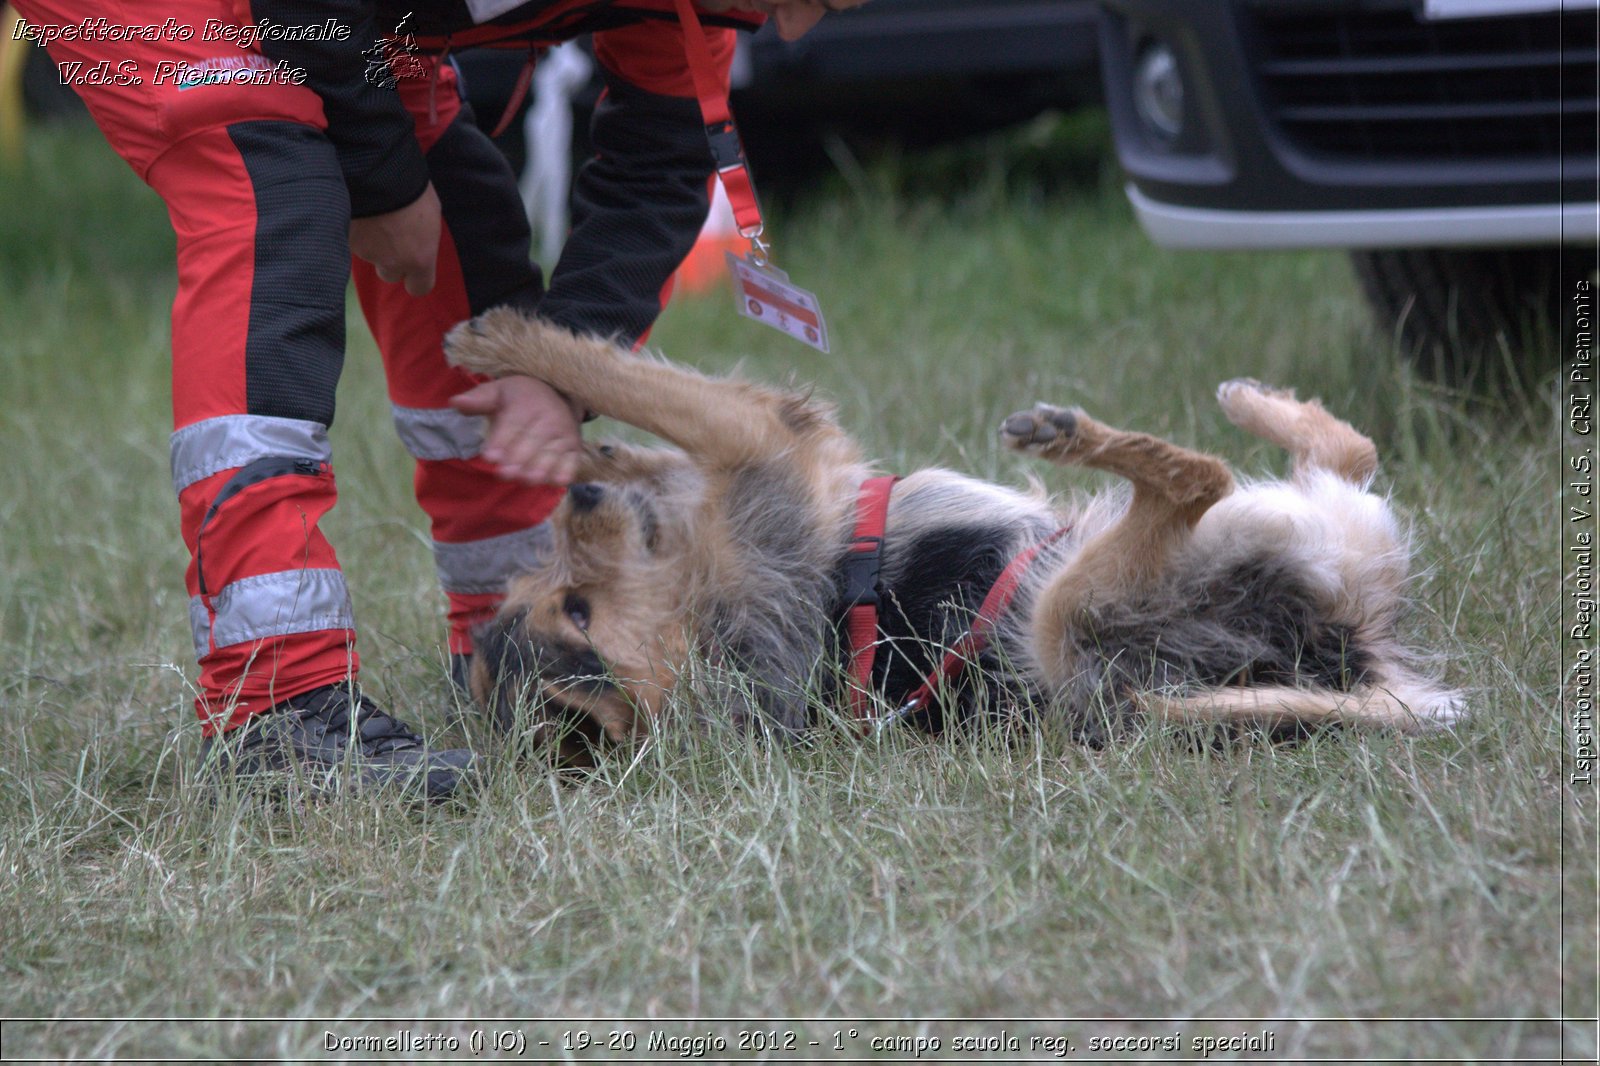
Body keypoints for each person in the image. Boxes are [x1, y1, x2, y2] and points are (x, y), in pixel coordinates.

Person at [12, 0, 865, 798]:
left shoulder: (705, 10)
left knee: (457, 216)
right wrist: (385, 187)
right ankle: (274, 706)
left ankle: (505, 624)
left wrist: (552, 373)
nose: (790, 31)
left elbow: (660, 162)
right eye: (819, 0)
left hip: (351, 25)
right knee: (265, 178)